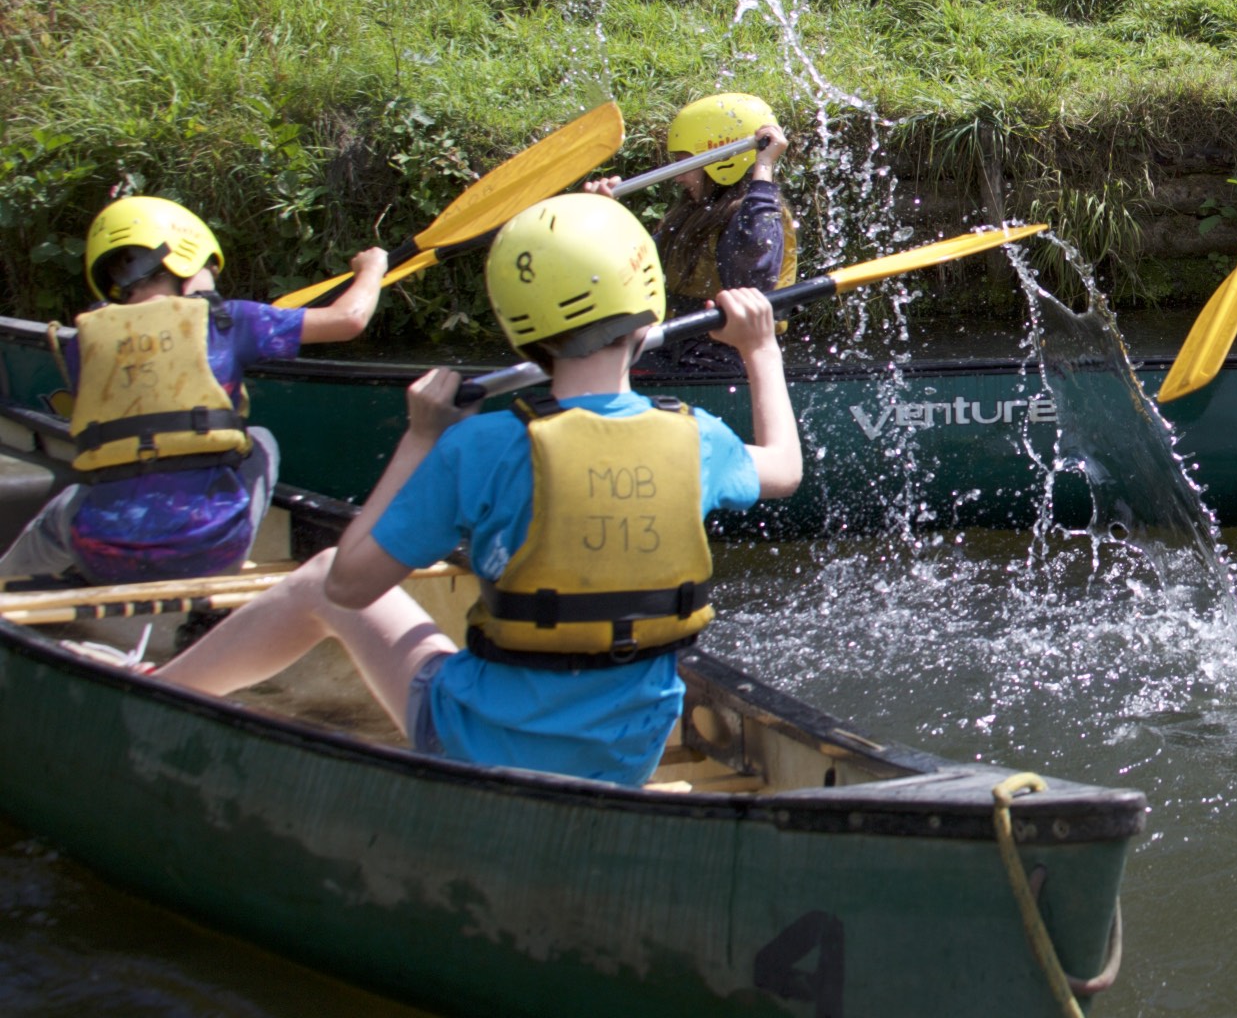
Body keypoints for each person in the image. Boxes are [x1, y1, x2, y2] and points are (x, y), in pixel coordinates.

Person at [156, 193, 803, 785]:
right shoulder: (700, 440)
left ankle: (157, 691)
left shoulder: (481, 446)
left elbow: (348, 585)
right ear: (649, 303)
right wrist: (760, 349)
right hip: (626, 761)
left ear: (520, 327)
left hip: (476, 747)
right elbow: (783, 467)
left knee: (317, 574)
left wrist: (420, 437)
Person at [0, 197, 386, 588]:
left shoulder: (83, 342)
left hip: (101, 552)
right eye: (209, 269)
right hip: (211, 550)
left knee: (66, 508)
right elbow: (349, 319)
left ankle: (10, 594)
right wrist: (373, 268)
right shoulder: (228, 319)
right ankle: (215, 592)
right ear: (183, 260)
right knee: (260, 440)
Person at [588, 91, 795, 377]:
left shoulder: (760, 216)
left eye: (685, 163)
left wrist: (763, 166)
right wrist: (602, 216)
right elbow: (634, 268)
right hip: (668, 348)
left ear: (722, 161)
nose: (678, 176)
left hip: (726, 360)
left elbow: (752, 274)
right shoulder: (689, 214)